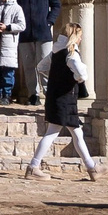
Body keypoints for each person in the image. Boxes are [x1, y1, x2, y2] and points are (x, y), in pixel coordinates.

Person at [25, 22, 100, 179]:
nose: (81, 39)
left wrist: (56, 78)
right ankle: (33, 166)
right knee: (53, 133)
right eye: (79, 37)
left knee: (76, 133)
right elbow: (81, 74)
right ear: (75, 37)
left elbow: (41, 67)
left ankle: (92, 168)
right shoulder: (70, 54)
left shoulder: (56, 52)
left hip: (57, 97)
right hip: (65, 99)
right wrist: (73, 78)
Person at [12, 0, 61, 106]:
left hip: (43, 33)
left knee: (45, 64)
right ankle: (33, 94)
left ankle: (48, 92)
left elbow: (56, 5)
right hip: (24, 33)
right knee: (28, 65)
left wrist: (49, 21)